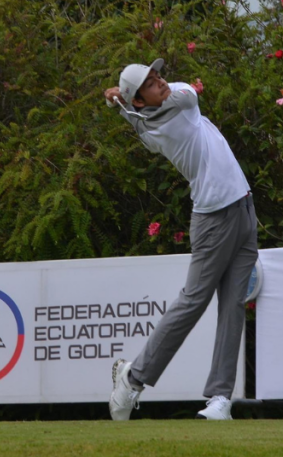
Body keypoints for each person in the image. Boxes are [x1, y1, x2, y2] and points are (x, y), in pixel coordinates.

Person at [103, 60, 258, 421]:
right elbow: (147, 115)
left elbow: (154, 106)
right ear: (140, 101)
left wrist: (123, 103)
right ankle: (134, 377)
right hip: (214, 219)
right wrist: (124, 106)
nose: (161, 82)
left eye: (157, 75)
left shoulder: (176, 98)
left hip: (244, 208)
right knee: (193, 302)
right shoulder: (161, 125)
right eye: (151, 83)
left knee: (234, 304)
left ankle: (221, 398)